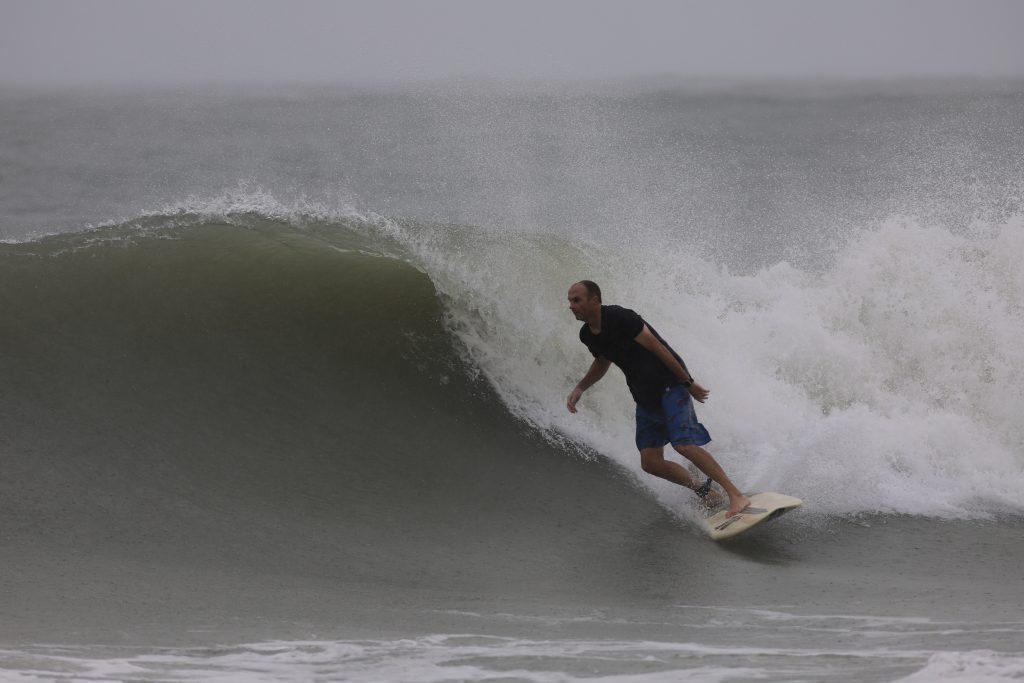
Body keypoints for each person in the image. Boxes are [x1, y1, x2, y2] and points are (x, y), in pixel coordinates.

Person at [566, 280, 750, 517]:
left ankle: (736, 495)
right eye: (570, 301)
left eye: (577, 300)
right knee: (650, 462)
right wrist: (580, 388)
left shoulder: (622, 318)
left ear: (595, 300)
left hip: (670, 384)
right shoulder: (587, 335)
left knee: (682, 444)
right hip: (645, 395)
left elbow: (657, 346)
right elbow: (602, 361)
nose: (571, 306)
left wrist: (687, 383)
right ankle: (708, 493)